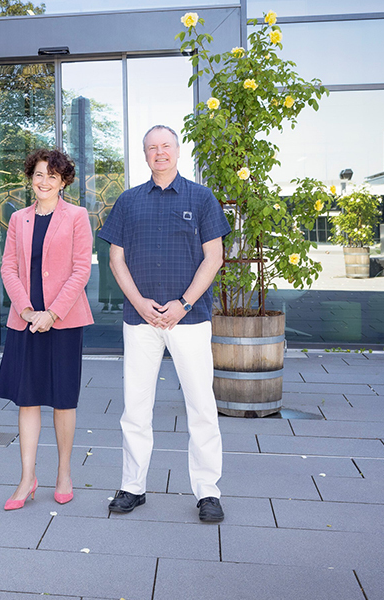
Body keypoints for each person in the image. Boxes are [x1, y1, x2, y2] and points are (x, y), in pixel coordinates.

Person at [97, 125, 230, 523]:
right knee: (135, 407)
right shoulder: (128, 201)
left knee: (201, 406)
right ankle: (132, 487)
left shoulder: (201, 198)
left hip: (189, 320)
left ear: (177, 150)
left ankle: (208, 492)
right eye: (152, 147)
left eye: (165, 146)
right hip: (140, 322)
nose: (160, 153)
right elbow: (116, 260)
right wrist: (139, 304)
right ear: (144, 155)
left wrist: (183, 304)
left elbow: (214, 258)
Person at [0, 148, 94, 511]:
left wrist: (51, 313)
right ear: (30, 177)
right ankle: (27, 478)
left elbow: (81, 269)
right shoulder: (18, 219)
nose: (44, 181)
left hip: (64, 321)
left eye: (53, 175)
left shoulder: (78, 216)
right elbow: (8, 267)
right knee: (28, 398)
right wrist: (26, 309)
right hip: (25, 321)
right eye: (38, 174)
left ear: (63, 180)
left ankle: (64, 473)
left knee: (63, 400)